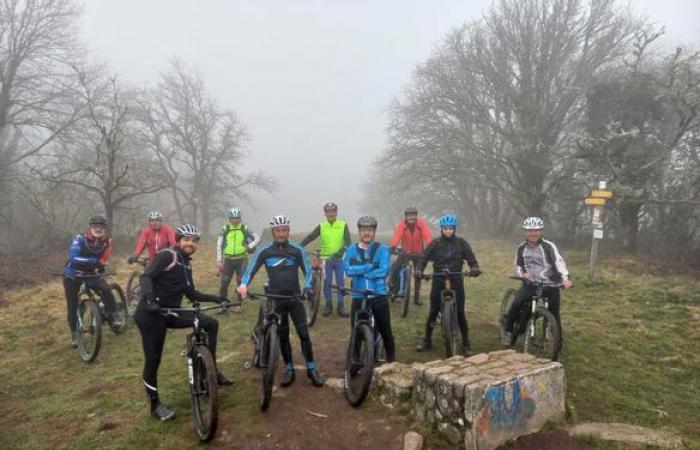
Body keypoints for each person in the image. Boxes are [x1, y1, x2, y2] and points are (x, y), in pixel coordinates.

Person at [134, 224, 232, 422]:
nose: (191, 243)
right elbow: (146, 276)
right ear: (178, 240)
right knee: (153, 358)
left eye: (195, 241)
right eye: (187, 239)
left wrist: (217, 298)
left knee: (210, 324)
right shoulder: (167, 256)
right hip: (151, 314)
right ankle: (155, 404)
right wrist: (149, 299)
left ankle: (209, 372)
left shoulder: (186, 264)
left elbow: (191, 293)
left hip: (173, 312)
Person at [237, 215, 324, 388]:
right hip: (276, 299)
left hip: (294, 297)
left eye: (284, 230)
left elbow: (308, 271)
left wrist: (307, 288)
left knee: (304, 335)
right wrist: (244, 285)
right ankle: (289, 368)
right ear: (273, 232)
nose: (281, 234)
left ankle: (311, 369)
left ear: (288, 231)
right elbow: (250, 269)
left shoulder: (297, 249)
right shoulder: (264, 250)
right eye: (278, 231)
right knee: (283, 336)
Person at [415, 213, 481, 356]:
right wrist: (419, 269)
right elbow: (424, 258)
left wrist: (474, 267)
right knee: (433, 311)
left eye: (451, 228)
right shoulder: (435, 243)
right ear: (441, 229)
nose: (448, 231)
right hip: (438, 279)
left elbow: (471, 258)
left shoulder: (461, 243)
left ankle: (466, 343)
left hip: (457, 279)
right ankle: (427, 339)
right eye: (445, 228)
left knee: (460, 313)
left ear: (454, 228)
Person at [501, 217, 572, 346]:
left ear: (541, 231)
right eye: (529, 231)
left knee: (555, 315)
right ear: (524, 232)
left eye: (536, 230)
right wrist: (523, 274)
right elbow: (518, 266)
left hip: (550, 284)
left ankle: (558, 346)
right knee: (517, 303)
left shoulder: (549, 246)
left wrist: (565, 279)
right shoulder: (521, 248)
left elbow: (559, 263)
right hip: (531, 284)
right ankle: (508, 331)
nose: (533, 234)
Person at [343, 215, 396, 362]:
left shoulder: (383, 249)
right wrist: (370, 266)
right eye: (364, 230)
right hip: (358, 295)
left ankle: (391, 360)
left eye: (370, 230)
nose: (367, 233)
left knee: (386, 330)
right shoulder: (351, 250)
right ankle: (354, 361)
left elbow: (384, 270)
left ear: (374, 232)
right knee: (356, 332)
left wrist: (360, 270)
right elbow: (348, 270)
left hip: (378, 294)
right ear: (359, 231)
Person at [62, 215, 117, 347]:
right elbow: (73, 257)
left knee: (106, 289)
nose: (98, 229)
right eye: (95, 227)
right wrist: (93, 261)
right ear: (90, 228)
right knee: (72, 304)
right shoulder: (80, 239)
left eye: (101, 227)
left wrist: (101, 266)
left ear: (105, 228)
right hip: (72, 274)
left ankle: (111, 316)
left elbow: (105, 257)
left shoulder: (107, 241)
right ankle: (74, 334)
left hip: (90, 273)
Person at [300, 202, 351, 317]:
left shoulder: (343, 225)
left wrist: (340, 252)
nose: (331, 213)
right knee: (327, 282)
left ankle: (341, 306)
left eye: (333, 211)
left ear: (336, 212)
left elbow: (348, 243)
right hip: (325, 258)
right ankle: (328, 305)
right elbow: (311, 236)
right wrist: (300, 246)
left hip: (340, 259)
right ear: (325, 213)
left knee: (340, 282)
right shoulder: (322, 226)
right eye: (328, 211)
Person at [388, 206, 432, 305]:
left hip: (418, 253)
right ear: (406, 217)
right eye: (409, 215)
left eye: (413, 215)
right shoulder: (402, 225)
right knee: (395, 269)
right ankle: (394, 290)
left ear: (416, 216)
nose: (411, 217)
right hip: (405, 253)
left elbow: (427, 236)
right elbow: (397, 236)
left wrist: (430, 247)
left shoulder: (421, 224)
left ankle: (416, 297)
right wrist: (393, 246)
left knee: (418, 273)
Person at [216, 207, 260, 301]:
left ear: (240, 218)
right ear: (229, 218)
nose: (235, 220)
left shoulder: (244, 228)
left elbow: (257, 238)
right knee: (224, 282)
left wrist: (249, 247)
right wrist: (219, 260)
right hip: (228, 260)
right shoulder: (226, 228)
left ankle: (239, 305)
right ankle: (223, 304)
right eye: (233, 218)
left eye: (237, 218)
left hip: (241, 260)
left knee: (241, 283)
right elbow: (219, 244)